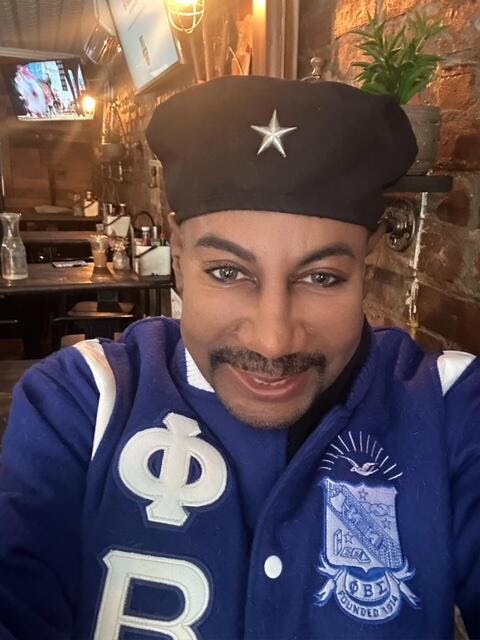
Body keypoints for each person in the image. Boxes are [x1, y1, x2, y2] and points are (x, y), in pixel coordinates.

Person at [0, 75, 478, 640]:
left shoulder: (447, 408)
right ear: (179, 255)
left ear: (368, 264)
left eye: (322, 277)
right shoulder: (85, 400)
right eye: (227, 272)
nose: (273, 342)